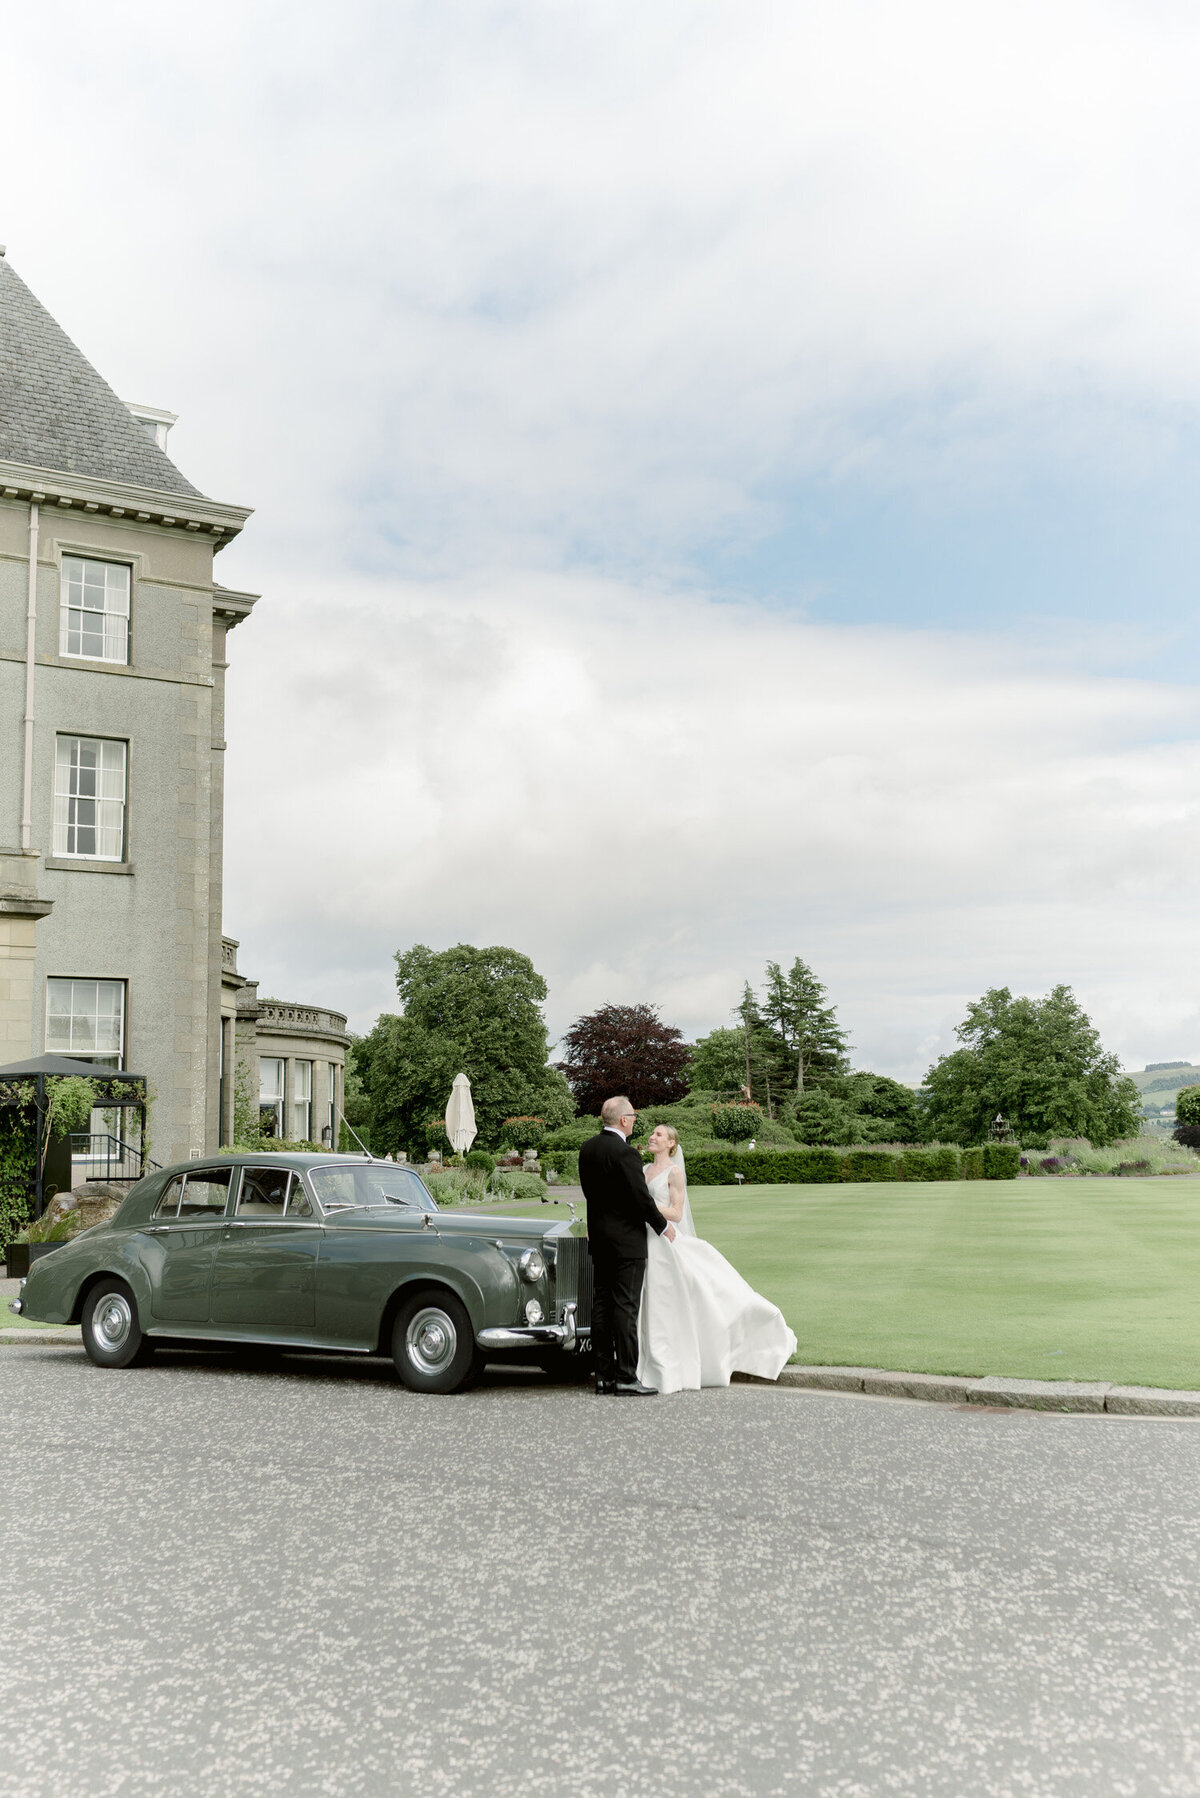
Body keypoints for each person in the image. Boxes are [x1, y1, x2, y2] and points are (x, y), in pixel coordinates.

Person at [638, 1123, 797, 1394]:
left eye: (659, 1135)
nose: (652, 1137)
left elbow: (676, 1213)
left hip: (663, 1241)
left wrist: (645, 1207)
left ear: (671, 1144)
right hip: (643, 1241)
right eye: (652, 1133)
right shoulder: (642, 1171)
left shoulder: (673, 1173)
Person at [578, 1095, 675, 1396]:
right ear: (623, 1120)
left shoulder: (587, 1149)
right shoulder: (626, 1154)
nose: (635, 1120)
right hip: (627, 1244)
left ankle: (603, 1377)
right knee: (625, 1309)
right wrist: (663, 1227)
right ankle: (626, 1376)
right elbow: (641, 1199)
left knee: (602, 1306)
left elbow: (591, 1196)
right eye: (632, 1115)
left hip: (601, 1240)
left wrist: (594, 1228)